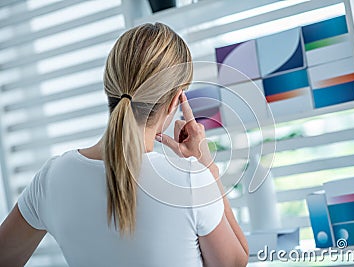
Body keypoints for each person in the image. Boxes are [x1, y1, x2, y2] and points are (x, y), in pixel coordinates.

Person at [0, 23, 249, 267]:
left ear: (109, 84)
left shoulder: (51, 177)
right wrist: (206, 166)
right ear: (175, 102)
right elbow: (236, 262)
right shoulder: (189, 181)